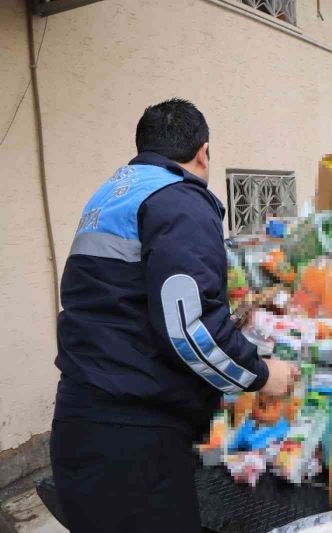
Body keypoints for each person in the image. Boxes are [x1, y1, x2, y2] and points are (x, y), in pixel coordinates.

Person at [50, 99, 299, 532]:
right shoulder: (178, 201)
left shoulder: (110, 195)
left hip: (81, 416)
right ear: (203, 152)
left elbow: (133, 304)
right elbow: (190, 326)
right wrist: (261, 374)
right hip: (135, 440)